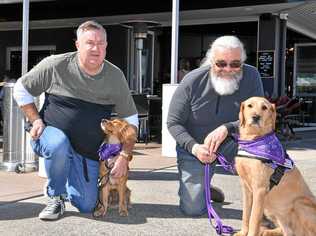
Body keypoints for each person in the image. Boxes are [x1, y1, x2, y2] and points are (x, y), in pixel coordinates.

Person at [13, 20, 138, 220]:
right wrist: (36, 120)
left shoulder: (115, 76)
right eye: (89, 42)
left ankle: (63, 175)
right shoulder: (55, 65)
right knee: (58, 145)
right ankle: (56, 196)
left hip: (86, 150)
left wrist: (124, 155)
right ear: (78, 45)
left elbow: (131, 122)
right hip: (51, 137)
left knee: (87, 204)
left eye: (100, 43)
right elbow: (20, 88)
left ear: (106, 46)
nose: (95, 48)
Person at [167, 35, 264, 216]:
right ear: (211, 61)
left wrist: (228, 128)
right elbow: (174, 122)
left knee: (265, 161)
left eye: (235, 64)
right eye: (221, 63)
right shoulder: (191, 80)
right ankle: (204, 189)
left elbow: (258, 116)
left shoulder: (252, 76)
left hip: (235, 141)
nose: (228, 69)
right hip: (196, 145)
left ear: (242, 62)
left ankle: (266, 201)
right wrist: (195, 148)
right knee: (192, 209)